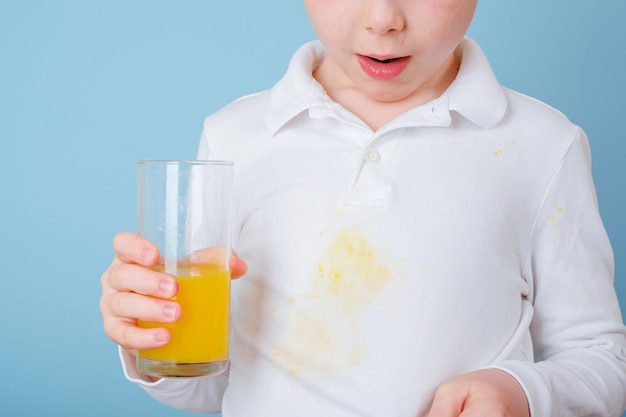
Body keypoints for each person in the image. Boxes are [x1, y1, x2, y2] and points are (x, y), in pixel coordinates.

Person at [100, 1, 626, 416]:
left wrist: (523, 392)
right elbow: (211, 391)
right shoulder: (236, 136)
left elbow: (604, 361)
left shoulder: (542, 144)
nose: (383, 20)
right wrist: (156, 337)